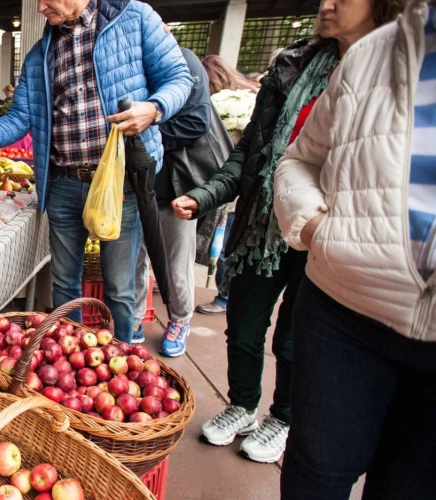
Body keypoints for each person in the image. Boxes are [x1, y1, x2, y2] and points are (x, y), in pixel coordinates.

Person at [171, 0, 400, 464]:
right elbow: (252, 152)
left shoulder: (397, 72)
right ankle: (242, 405)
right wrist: (206, 194)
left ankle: (283, 415)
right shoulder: (293, 65)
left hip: (334, 236)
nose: (325, 5)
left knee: (296, 338)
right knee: (245, 324)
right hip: (264, 225)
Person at [0, 0, 193, 343]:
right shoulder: (41, 55)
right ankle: (71, 354)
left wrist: (154, 108)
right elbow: (17, 120)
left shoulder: (134, 18)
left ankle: (123, 353)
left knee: (119, 287)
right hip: (64, 183)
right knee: (65, 282)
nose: (40, 8)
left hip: (121, 183)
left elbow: (179, 78)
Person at [275, 0, 430, 497]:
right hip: (344, 308)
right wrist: (319, 228)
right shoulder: (368, 58)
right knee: (316, 473)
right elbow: (298, 159)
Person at [133, 46, 233, 357]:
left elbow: (196, 122)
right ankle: (134, 319)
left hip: (172, 186)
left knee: (176, 261)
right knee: (134, 260)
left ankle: (179, 319)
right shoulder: (130, 63)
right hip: (134, 183)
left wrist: (145, 132)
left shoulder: (182, 61)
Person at [194, 55, 262, 316]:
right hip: (239, 189)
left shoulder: (223, 108)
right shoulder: (250, 98)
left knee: (224, 246)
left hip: (230, 191)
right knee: (231, 244)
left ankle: (225, 297)